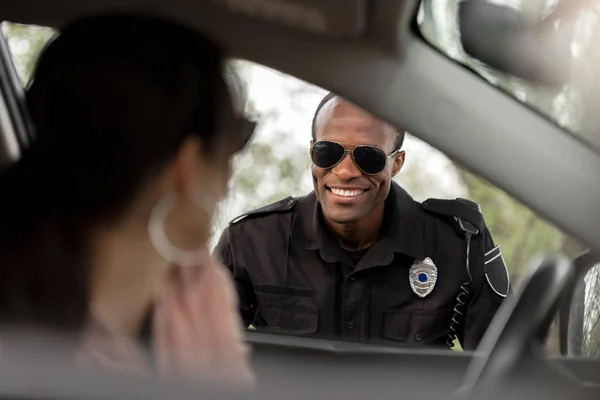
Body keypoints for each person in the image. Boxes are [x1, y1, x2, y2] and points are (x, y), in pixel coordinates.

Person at [0, 14, 254, 383]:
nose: (228, 182)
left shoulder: (197, 287)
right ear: (185, 168)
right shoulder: (199, 295)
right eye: (228, 150)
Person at [214, 93, 511, 350]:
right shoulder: (251, 241)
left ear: (396, 163)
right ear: (311, 154)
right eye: (327, 152)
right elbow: (195, 365)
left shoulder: (460, 244)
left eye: (368, 157)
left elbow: (508, 374)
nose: (344, 171)